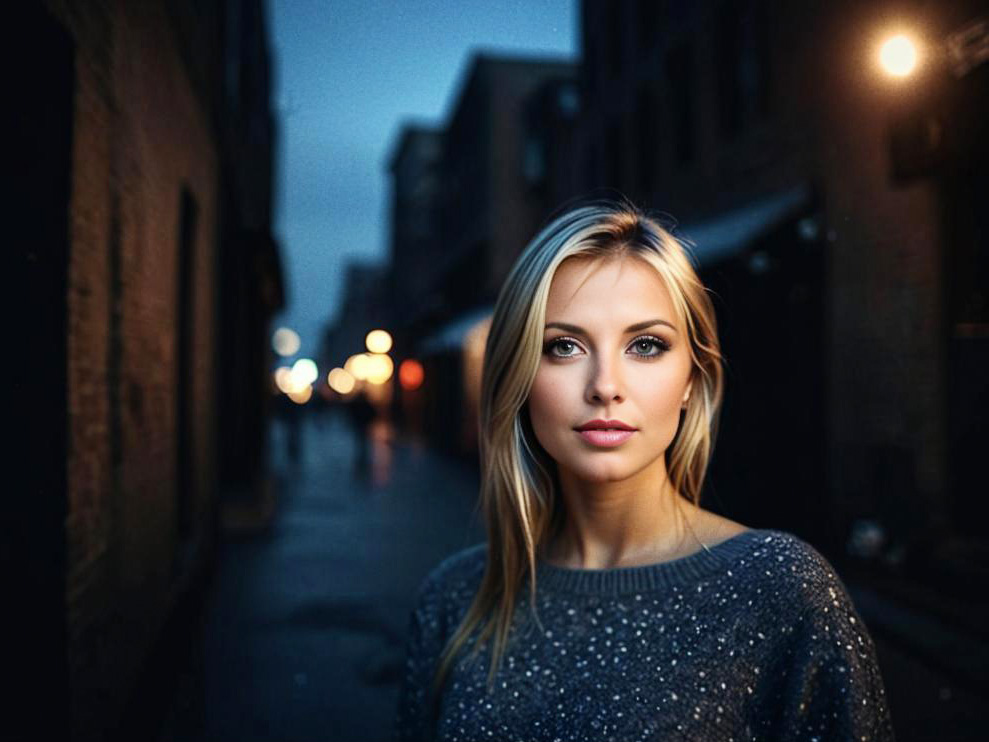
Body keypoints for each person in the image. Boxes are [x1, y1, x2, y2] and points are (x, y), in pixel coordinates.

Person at [392, 200, 895, 741]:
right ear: (518, 375)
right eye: (563, 346)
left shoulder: (781, 589)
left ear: (690, 380)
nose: (605, 385)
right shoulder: (455, 599)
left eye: (646, 345)